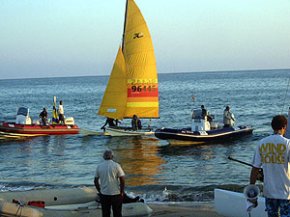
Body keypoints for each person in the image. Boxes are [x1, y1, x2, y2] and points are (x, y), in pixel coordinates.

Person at [249, 115, 290, 217]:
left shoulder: (262, 143)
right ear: (284, 126)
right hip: (286, 192)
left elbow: (255, 169)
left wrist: (252, 189)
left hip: (269, 192)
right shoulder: (288, 144)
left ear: (272, 127)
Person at [94, 150, 125, 217]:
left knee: (105, 214)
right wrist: (122, 192)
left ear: (103, 157)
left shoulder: (99, 166)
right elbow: (122, 179)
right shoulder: (116, 165)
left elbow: (96, 181)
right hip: (115, 193)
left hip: (104, 194)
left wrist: (99, 190)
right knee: (117, 213)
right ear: (112, 156)